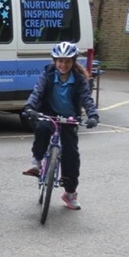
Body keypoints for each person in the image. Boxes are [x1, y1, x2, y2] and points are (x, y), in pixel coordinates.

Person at [22, 41, 99, 210]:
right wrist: (29, 107)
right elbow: (37, 92)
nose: (63, 65)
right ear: (54, 61)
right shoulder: (48, 75)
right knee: (42, 128)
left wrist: (93, 115)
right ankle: (37, 161)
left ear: (73, 62)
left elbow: (86, 99)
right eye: (60, 61)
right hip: (48, 113)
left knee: (71, 155)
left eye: (67, 61)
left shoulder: (79, 80)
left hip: (69, 118)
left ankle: (70, 193)